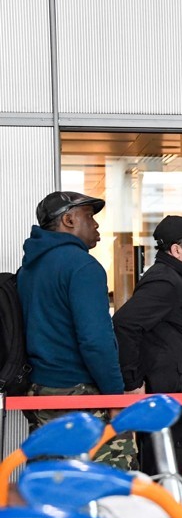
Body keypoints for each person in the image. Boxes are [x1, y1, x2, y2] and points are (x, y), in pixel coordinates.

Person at [19, 191, 135, 468]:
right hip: (80, 396)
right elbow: (96, 340)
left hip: (40, 393)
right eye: (89, 217)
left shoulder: (28, 270)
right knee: (110, 483)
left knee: (54, 481)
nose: (96, 225)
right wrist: (115, 396)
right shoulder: (82, 266)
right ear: (69, 220)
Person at [113, 215, 182, 474]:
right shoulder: (164, 282)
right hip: (167, 405)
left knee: (174, 477)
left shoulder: (176, 280)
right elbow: (125, 325)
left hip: (179, 405)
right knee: (164, 479)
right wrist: (132, 383)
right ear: (176, 250)